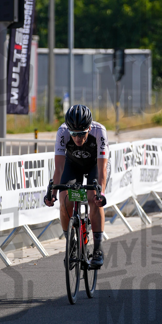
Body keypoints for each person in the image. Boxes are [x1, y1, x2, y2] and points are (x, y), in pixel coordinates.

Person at [44, 104, 108, 268]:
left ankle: (98, 250)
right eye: (74, 134)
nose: (78, 138)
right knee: (65, 200)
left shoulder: (99, 131)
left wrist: (101, 193)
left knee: (93, 197)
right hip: (73, 166)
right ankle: (71, 244)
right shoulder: (62, 132)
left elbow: (102, 169)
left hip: (94, 166)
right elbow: (58, 168)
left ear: (89, 128)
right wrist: (52, 191)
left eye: (82, 134)